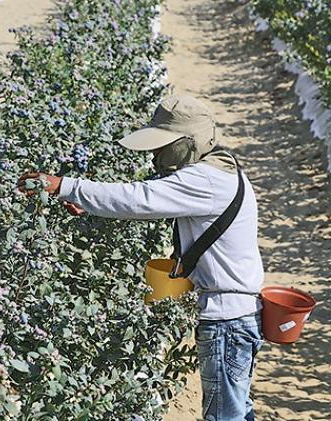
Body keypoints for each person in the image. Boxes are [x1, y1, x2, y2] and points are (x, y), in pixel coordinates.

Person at [19, 95, 263, 421]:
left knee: (224, 417)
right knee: (236, 411)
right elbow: (156, 195)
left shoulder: (203, 180)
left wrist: (64, 186)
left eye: (163, 146)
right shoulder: (222, 170)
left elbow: (140, 199)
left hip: (226, 322)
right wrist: (90, 203)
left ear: (188, 144)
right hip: (240, 317)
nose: (155, 154)